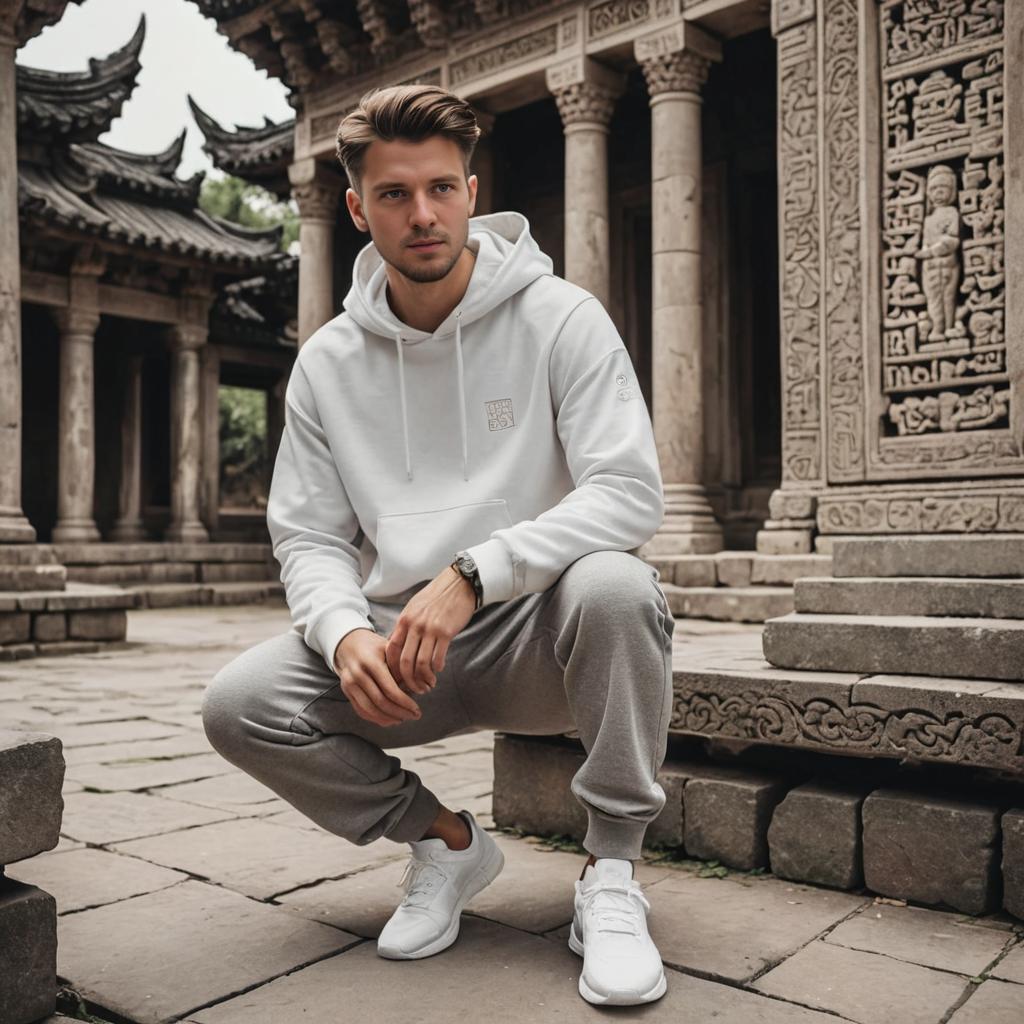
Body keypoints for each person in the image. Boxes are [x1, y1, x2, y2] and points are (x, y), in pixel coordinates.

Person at [201, 83, 676, 1007]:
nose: (422, 215)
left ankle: (612, 875)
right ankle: (446, 846)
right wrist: (344, 633)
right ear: (355, 207)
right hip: (401, 656)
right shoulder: (329, 363)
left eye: (441, 189)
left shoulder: (562, 318)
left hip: (539, 634)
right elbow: (306, 535)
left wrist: (473, 573)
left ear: (470, 187)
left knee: (618, 587)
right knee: (239, 703)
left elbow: (629, 492)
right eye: (393, 195)